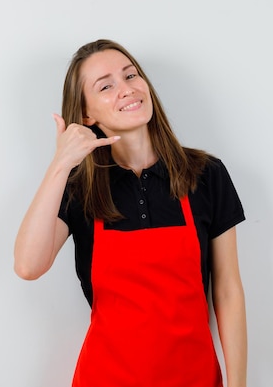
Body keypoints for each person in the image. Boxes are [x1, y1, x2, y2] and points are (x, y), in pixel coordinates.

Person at [14, 39, 247, 387]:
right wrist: (61, 164)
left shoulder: (205, 174)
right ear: (87, 114)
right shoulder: (79, 187)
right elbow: (28, 266)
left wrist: (238, 384)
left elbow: (227, 292)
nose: (126, 89)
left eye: (131, 75)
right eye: (106, 85)